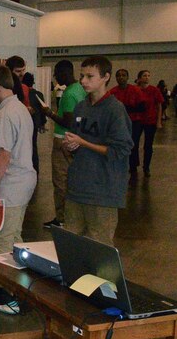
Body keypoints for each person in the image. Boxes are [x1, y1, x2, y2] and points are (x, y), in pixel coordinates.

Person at [0, 64, 37, 315]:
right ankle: (17, 289)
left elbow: (4, 154)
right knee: (15, 237)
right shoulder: (20, 108)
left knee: (2, 240)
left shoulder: (5, 114)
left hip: (11, 184)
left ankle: (5, 296)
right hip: (24, 181)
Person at [62, 56, 133, 246]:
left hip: (102, 192)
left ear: (105, 77)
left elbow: (121, 149)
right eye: (82, 76)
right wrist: (71, 145)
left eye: (90, 76)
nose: (83, 81)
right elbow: (74, 142)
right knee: (70, 244)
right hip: (78, 189)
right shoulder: (81, 107)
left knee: (99, 248)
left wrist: (83, 143)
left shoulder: (114, 110)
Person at [37, 60, 85, 228]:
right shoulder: (79, 90)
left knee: (60, 180)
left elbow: (68, 121)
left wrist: (48, 113)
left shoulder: (69, 94)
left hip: (62, 139)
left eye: (57, 74)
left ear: (65, 72)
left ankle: (61, 218)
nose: (56, 78)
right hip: (74, 139)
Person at [5, 55, 39, 174]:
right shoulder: (5, 87)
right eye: (18, 71)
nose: (21, 74)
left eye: (23, 70)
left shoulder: (24, 87)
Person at [131, 69, 164, 177]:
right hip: (138, 120)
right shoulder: (135, 90)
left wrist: (159, 121)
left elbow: (159, 106)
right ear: (139, 78)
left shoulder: (154, 90)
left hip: (151, 120)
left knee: (148, 145)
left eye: (148, 75)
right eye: (144, 75)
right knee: (134, 143)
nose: (147, 77)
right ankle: (134, 165)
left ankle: (146, 167)